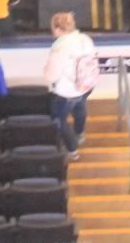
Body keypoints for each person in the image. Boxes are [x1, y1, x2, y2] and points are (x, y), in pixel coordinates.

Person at [45, 10, 98, 156]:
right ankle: (79, 133)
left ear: (57, 28)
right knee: (79, 107)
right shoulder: (85, 39)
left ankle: (72, 150)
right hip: (86, 85)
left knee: (59, 119)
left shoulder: (60, 47)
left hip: (67, 91)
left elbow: (51, 76)